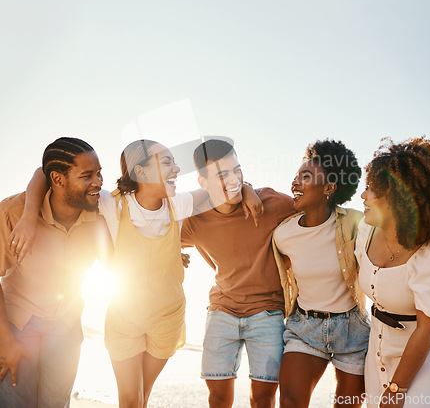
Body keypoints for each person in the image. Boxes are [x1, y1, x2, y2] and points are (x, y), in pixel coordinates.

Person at [15, 138, 262, 408]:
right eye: (166, 162)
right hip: (125, 317)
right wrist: (28, 215)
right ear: (140, 172)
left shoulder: (178, 205)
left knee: (142, 397)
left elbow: (224, 188)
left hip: (167, 317)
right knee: (131, 400)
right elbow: (44, 172)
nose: (177, 169)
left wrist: (248, 190)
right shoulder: (112, 204)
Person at [181, 139, 297, 408]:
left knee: (264, 398)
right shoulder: (195, 220)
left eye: (237, 171)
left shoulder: (271, 202)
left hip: (268, 314)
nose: (233, 179)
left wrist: (247, 189)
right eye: (221, 175)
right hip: (222, 312)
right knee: (218, 398)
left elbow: (315, 212)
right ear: (203, 182)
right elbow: (158, 235)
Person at [0, 137, 113, 408]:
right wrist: (5, 342)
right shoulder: (13, 214)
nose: (98, 182)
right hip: (19, 326)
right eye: (87, 176)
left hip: (66, 325)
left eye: (99, 173)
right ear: (58, 179)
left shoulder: (102, 215)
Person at [355, 137, 430, 408]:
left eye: (372, 189)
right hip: (380, 352)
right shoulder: (365, 232)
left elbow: (427, 331)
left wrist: (396, 390)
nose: (363, 195)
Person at [272, 139, 369, 408]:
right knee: (290, 402)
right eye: (295, 176)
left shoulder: (355, 222)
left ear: (329, 187)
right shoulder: (283, 234)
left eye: (305, 177)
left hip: (353, 331)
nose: (295, 183)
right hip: (305, 328)